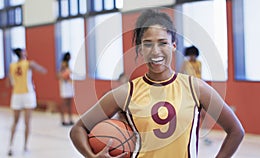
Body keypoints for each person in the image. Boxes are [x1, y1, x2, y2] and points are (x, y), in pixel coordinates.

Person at [70, 9, 244, 158]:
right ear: (139, 49)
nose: (155, 51)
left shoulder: (195, 88)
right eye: (147, 44)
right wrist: (91, 156)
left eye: (163, 43)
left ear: (174, 45)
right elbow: (78, 129)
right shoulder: (126, 93)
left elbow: (236, 131)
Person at [8, 48, 47, 156]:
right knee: (27, 122)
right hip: (27, 94)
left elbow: (9, 82)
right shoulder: (29, 64)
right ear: (22, 53)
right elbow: (43, 70)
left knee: (15, 121)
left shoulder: (12, 66)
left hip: (16, 94)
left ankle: (11, 146)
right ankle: (25, 146)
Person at [181, 45, 212, 145]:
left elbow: (200, 76)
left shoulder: (199, 63)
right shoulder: (185, 64)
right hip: (189, 89)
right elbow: (182, 75)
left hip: (198, 89)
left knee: (203, 113)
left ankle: (204, 134)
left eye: (194, 55)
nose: (192, 57)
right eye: (190, 55)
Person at [58, 52, 74, 126]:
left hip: (69, 85)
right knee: (64, 104)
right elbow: (60, 75)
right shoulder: (63, 64)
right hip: (65, 85)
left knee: (69, 103)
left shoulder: (68, 64)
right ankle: (63, 119)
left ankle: (70, 119)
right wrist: (66, 77)